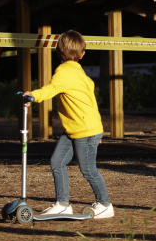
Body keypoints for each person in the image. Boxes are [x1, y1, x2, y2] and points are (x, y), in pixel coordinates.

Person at [24, 29, 114, 219]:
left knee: (88, 169)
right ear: (82, 54)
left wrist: (33, 95)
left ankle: (105, 204)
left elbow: (51, 89)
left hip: (85, 131)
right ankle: (63, 204)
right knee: (57, 162)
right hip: (75, 129)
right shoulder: (80, 73)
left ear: (59, 52)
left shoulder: (64, 73)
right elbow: (91, 100)